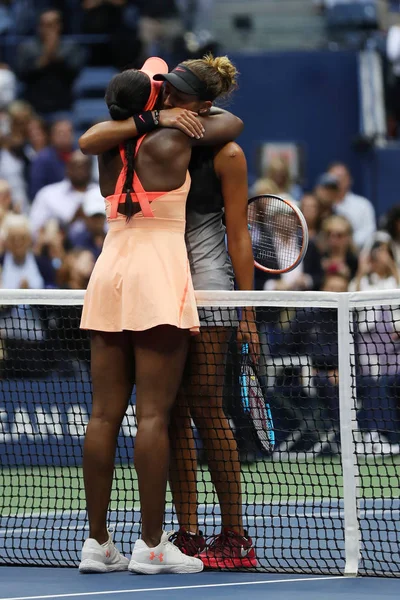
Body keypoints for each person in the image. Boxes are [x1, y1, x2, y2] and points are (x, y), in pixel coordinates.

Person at [79, 54, 258, 569]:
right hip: (160, 279)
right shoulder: (160, 135)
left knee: (201, 406)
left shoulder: (218, 149)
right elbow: (101, 134)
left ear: (200, 101)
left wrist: (246, 309)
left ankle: (232, 532)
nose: (169, 96)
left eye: (178, 91)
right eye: (164, 89)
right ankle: (175, 535)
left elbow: (239, 233)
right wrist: (159, 117)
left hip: (190, 284)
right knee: (165, 413)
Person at [15, 9, 85, 117]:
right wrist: (45, 58)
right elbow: (21, 74)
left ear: (60, 25)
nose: (50, 29)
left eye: (53, 24)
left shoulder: (71, 47)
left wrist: (55, 56)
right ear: (39, 27)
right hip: (34, 107)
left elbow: (74, 73)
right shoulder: (27, 48)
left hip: (63, 106)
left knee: (63, 130)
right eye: (46, 25)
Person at [29, 150, 95, 237]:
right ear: (67, 168)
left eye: (84, 166)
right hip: (60, 246)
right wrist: (70, 223)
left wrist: (92, 224)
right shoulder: (47, 194)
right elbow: (34, 229)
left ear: (90, 169)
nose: (80, 170)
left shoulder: (101, 193)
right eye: (75, 166)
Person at [327, 162, 376, 249]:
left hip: (356, 255)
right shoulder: (322, 205)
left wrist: (345, 243)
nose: (338, 181)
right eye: (334, 177)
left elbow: (369, 231)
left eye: (341, 177)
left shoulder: (363, 205)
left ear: (349, 179)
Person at [29, 119, 75, 200]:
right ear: (52, 136)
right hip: (52, 204)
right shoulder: (42, 159)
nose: (65, 136)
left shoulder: (80, 155)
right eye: (61, 133)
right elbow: (36, 190)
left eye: (68, 132)